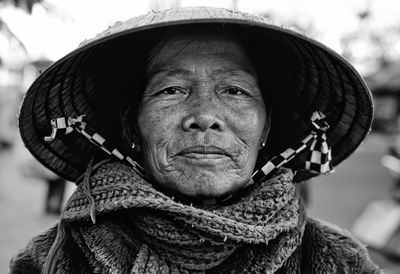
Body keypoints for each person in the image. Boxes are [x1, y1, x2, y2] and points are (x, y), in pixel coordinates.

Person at [10, 7, 381, 273]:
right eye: (171, 89)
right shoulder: (52, 260)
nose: (204, 115)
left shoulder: (339, 261)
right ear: (132, 126)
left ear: (267, 127)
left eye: (235, 90)